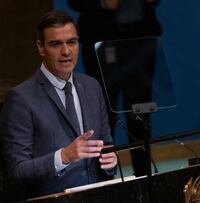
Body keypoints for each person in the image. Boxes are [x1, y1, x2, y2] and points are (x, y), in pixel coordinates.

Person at [0, 10, 117, 198]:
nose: (66, 51)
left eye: (72, 42)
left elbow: (107, 145)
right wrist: (63, 157)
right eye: (56, 44)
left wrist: (111, 160)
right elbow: (17, 171)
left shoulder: (92, 87)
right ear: (40, 47)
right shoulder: (20, 98)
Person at [67, 0, 162, 176]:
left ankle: (145, 178)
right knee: (103, 116)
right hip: (101, 40)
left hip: (140, 39)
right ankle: (103, 179)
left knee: (140, 116)